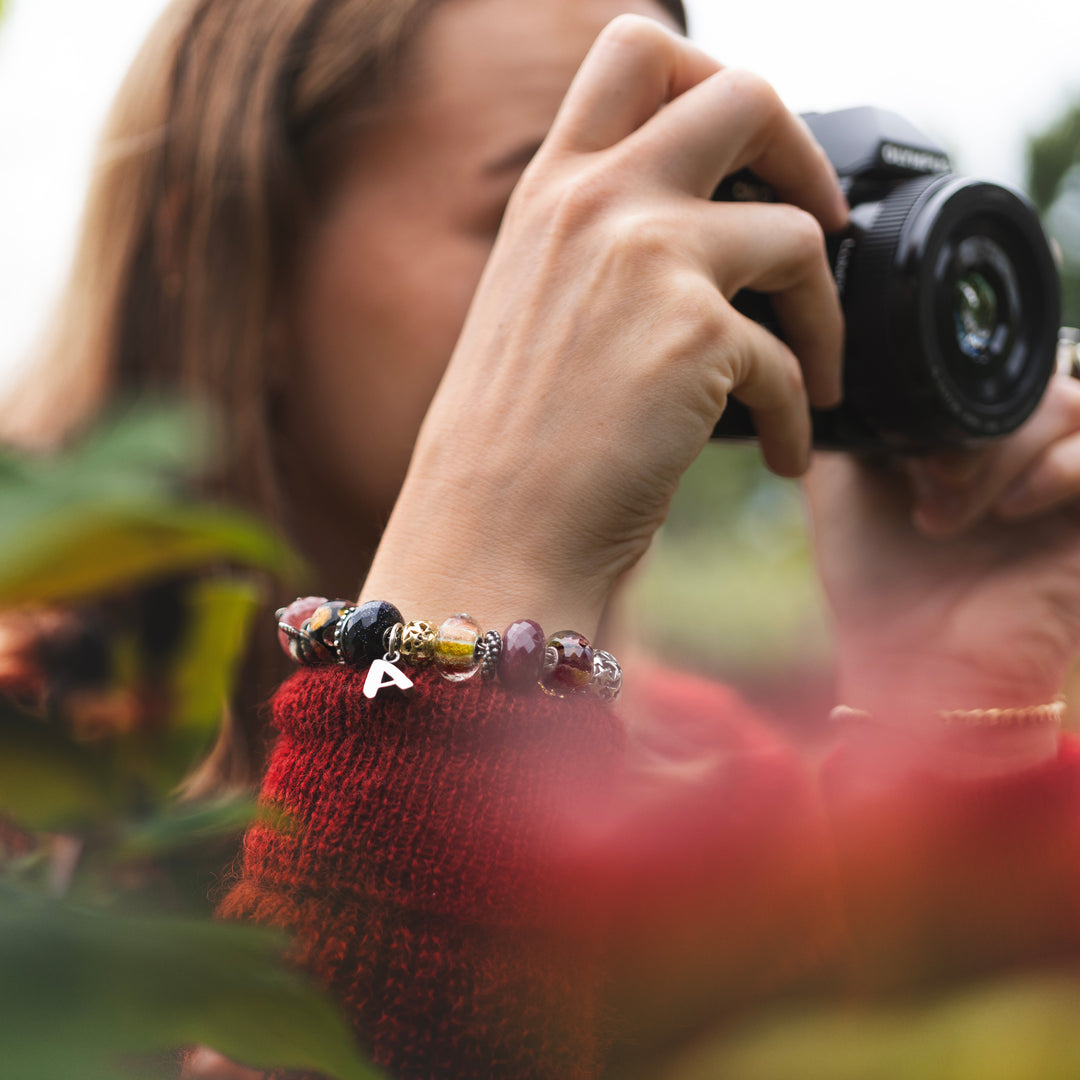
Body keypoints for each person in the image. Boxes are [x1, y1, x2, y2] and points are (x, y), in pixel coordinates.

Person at [7, 0, 1080, 1077]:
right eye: (543, 212)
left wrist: (944, 710)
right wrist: (463, 646)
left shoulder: (706, 794)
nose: (642, 279)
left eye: (665, 204)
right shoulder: (26, 772)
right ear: (231, 259)